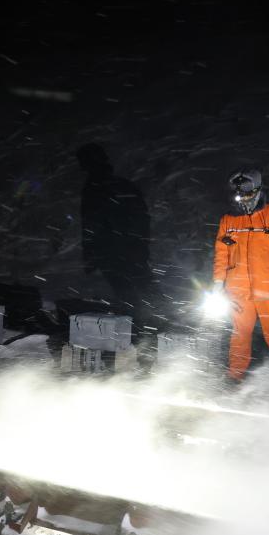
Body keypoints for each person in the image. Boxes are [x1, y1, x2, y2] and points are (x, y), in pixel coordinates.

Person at [76, 143, 157, 372]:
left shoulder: (96, 187)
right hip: (127, 253)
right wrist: (140, 248)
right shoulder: (120, 185)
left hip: (115, 254)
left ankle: (139, 345)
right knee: (139, 297)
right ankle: (146, 341)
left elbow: (92, 224)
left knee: (130, 300)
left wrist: (92, 255)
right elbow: (142, 220)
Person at [212, 167, 269, 381]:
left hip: (268, 287)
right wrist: (218, 280)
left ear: (258, 191)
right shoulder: (229, 220)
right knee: (239, 334)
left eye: (248, 194)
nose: (243, 200)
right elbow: (222, 251)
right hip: (238, 288)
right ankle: (234, 375)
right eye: (239, 195)